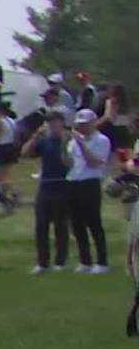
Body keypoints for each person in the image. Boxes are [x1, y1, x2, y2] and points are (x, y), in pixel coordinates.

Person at [24, 110, 73, 273]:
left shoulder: (69, 139)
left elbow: (70, 162)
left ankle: (60, 261)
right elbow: (25, 153)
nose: (52, 124)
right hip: (45, 187)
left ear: (61, 122)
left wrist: (64, 143)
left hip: (62, 187)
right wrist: (34, 137)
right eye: (49, 121)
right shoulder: (44, 140)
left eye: (55, 121)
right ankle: (42, 262)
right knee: (41, 227)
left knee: (60, 226)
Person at [67, 108, 112, 273]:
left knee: (93, 223)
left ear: (93, 123)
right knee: (77, 224)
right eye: (79, 125)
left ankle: (102, 261)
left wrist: (81, 143)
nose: (82, 128)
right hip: (73, 182)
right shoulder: (72, 142)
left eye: (85, 124)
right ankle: (84, 260)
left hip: (90, 183)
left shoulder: (102, 140)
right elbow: (68, 163)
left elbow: (94, 162)